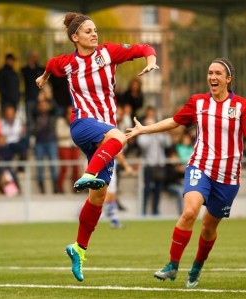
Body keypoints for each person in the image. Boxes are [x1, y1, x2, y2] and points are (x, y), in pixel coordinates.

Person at [36, 12, 159, 282]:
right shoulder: (67, 63)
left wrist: (151, 61)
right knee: (120, 137)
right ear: (74, 37)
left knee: (98, 198)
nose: (94, 34)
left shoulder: (108, 53)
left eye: (95, 30)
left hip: (104, 135)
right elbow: (51, 64)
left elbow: (144, 48)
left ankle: (78, 249)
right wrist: (44, 77)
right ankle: (89, 174)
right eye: (88, 31)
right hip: (82, 124)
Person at [126, 57, 246, 288]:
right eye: (210, 73)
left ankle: (197, 267)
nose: (213, 77)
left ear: (228, 79)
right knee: (189, 212)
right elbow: (174, 121)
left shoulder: (241, 106)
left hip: (228, 177)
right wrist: (144, 129)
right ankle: (172, 265)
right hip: (200, 166)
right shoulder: (198, 102)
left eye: (218, 73)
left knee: (208, 228)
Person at [33, 93, 59, 194]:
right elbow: (33, 109)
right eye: (41, 104)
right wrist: (38, 99)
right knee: (40, 166)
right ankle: (41, 187)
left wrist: (49, 97)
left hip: (51, 140)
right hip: (39, 142)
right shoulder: (36, 114)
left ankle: (55, 186)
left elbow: (56, 108)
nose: (43, 106)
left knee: (53, 164)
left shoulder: (52, 114)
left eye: (45, 104)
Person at [56, 106, 80, 194]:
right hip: (64, 146)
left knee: (76, 167)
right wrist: (72, 132)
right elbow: (59, 133)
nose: (71, 115)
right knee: (64, 167)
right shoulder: (60, 121)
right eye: (69, 113)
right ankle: (59, 187)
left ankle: (76, 188)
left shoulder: (77, 121)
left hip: (74, 146)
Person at [21, 50, 45, 133]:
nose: (34, 59)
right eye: (32, 57)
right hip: (29, 99)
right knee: (30, 121)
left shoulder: (41, 70)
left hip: (39, 100)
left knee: (40, 120)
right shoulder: (24, 70)